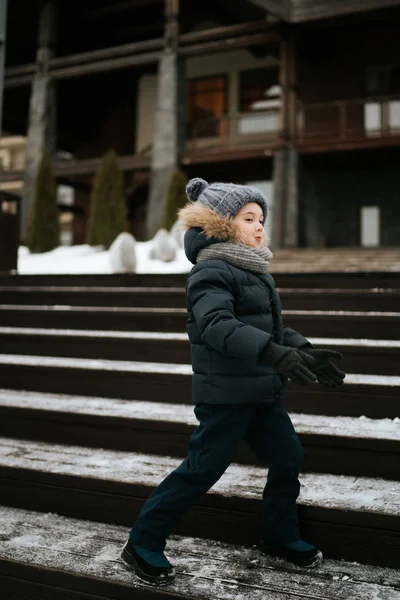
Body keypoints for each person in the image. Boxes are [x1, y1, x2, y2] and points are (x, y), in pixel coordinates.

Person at [121, 178, 346, 585]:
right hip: (225, 395)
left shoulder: (253, 270)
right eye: (248, 218)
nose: (260, 226)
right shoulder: (211, 271)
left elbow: (271, 327)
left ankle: (279, 535)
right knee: (203, 469)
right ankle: (142, 541)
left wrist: (304, 350)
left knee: (287, 457)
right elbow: (216, 325)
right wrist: (275, 354)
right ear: (221, 224)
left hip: (262, 391)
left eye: (262, 218)